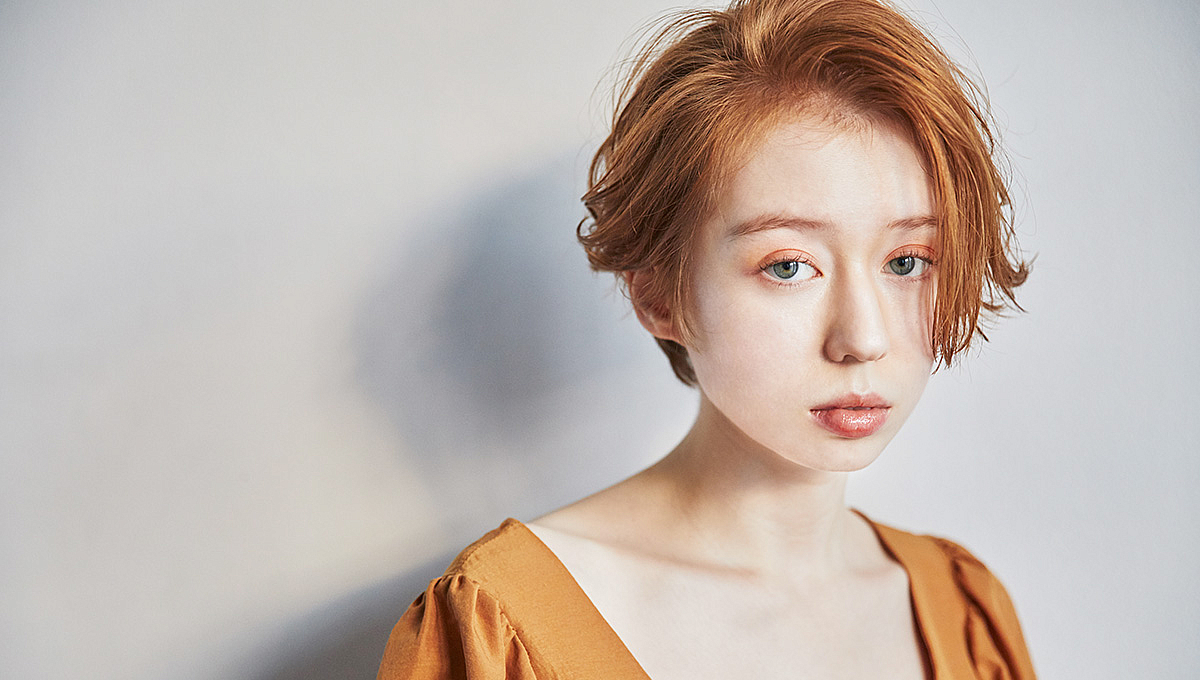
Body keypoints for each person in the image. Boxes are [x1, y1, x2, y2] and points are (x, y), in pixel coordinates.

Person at [378, 0, 1035, 677]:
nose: (864, 339)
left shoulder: (962, 613)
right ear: (658, 296)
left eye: (907, 262)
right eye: (788, 266)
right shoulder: (503, 628)